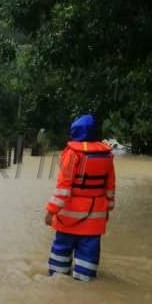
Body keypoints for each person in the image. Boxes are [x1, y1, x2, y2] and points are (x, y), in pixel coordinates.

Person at [44, 114, 116, 281]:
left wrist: (50, 212)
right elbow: (110, 187)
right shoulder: (107, 155)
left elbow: (63, 189)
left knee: (58, 271)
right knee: (86, 272)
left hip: (68, 221)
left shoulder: (72, 153)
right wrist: (108, 209)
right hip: (94, 221)